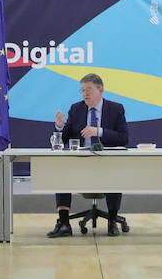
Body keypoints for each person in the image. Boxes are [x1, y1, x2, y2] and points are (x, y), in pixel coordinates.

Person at [46, 73, 131, 238]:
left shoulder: (116, 109)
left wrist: (98, 131)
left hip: (106, 161)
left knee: (115, 171)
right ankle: (64, 224)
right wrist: (59, 127)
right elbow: (63, 139)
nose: (85, 93)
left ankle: (112, 221)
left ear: (101, 90)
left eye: (89, 89)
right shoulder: (76, 109)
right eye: (83, 90)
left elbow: (124, 138)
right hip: (80, 162)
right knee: (61, 171)